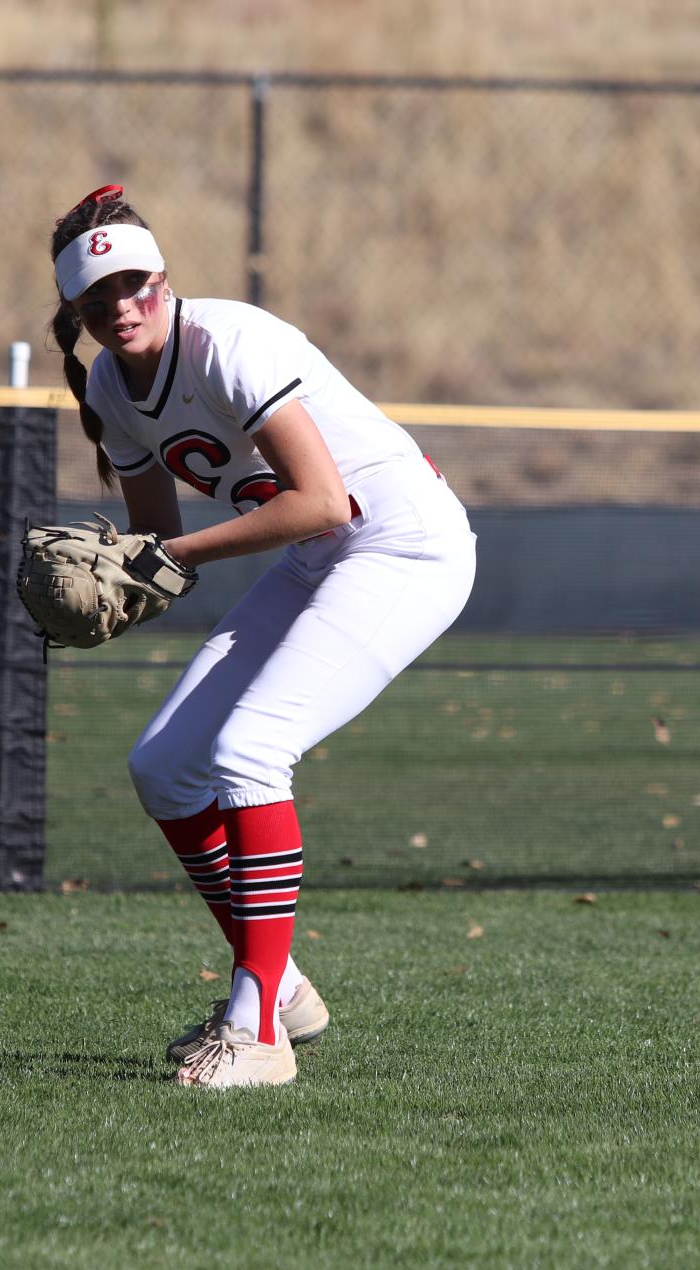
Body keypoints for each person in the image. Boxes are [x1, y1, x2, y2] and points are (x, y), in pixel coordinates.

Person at [48, 185, 477, 1089]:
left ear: (163, 279)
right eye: (96, 299)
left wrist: (159, 557)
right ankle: (279, 991)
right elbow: (157, 543)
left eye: (133, 284)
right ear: (75, 313)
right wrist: (110, 592)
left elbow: (322, 500)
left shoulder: (231, 341)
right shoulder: (107, 386)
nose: (120, 306)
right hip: (326, 558)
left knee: (250, 751)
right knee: (163, 767)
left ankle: (257, 1031)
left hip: (404, 543)